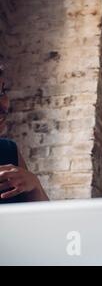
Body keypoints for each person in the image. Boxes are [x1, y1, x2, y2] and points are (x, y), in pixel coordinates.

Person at [0, 64, 49, 203]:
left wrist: (35, 186)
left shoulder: (8, 151)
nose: (3, 105)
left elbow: (49, 222)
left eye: (2, 92)